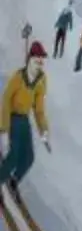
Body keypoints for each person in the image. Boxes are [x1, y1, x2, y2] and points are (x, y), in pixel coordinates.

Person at [2, 43, 48, 206]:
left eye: (42, 59)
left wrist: (43, 130)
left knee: (28, 158)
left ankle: (14, 180)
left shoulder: (41, 80)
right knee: (13, 155)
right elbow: (6, 99)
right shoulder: (18, 76)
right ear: (30, 59)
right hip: (13, 118)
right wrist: (4, 125)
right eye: (37, 58)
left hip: (24, 121)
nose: (40, 62)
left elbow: (39, 108)